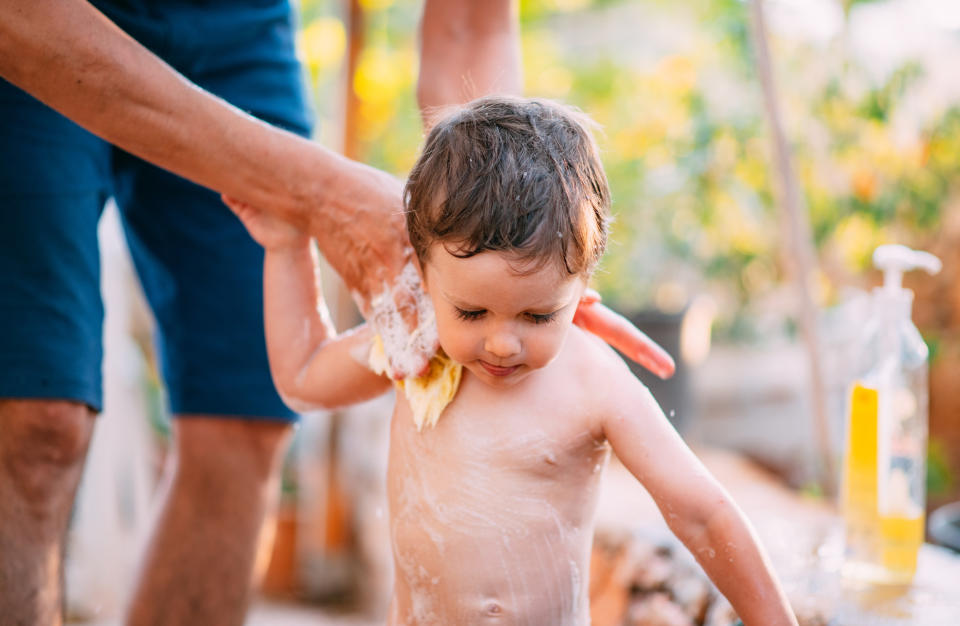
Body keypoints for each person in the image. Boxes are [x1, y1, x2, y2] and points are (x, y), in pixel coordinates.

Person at [0, 1, 672, 624]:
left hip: (231, 25)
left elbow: (471, 26)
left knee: (243, 414)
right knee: (33, 416)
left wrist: (497, 276)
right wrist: (316, 195)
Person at [230, 95, 797, 626]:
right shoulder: (415, 344)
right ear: (424, 277)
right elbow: (303, 379)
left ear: (581, 288)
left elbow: (703, 514)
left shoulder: (592, 379)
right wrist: (285, 248)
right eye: (473, 313)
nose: (503, 344)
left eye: (537, 316)